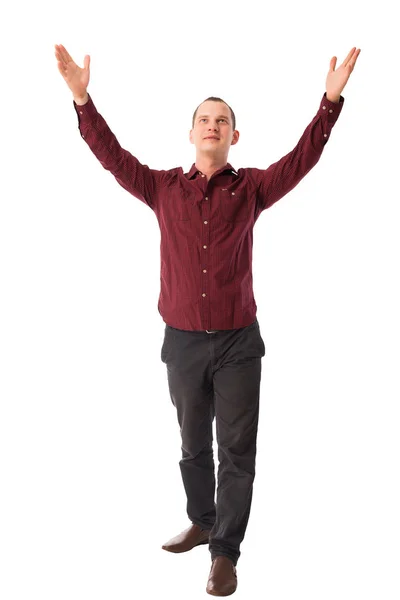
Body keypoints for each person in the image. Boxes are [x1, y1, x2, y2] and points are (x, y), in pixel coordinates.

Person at [54, 43, 361, 596]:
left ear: (234, 136)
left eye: (223, 121)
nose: (213, 126)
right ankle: (202, 519)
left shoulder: (253, 189)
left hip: (240, 342)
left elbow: (302, 159)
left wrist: (330, 101)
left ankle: (225, 553)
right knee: (193, 444)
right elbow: (111, 154)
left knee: (236, 451)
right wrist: (82, 98)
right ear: (191, 133)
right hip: (183, 342)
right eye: (204, 119)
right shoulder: (162, 188)